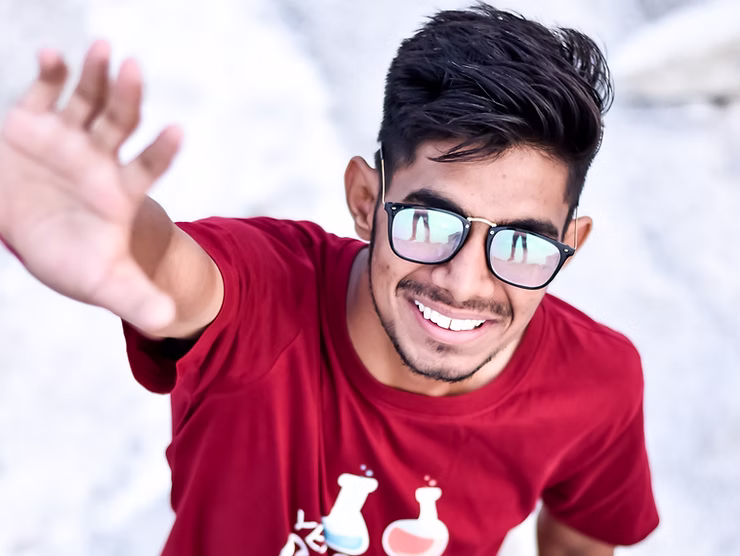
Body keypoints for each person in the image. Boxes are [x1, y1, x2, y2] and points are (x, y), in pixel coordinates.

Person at [0, 4, 659, 555]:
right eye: (429, 223)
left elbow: (579, 544)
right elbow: (178, 270)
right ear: (366, 201)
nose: (464, 282)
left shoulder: (597, 383)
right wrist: (108, 229)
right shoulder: (263, 298)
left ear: (570, 246)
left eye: (521, 244)